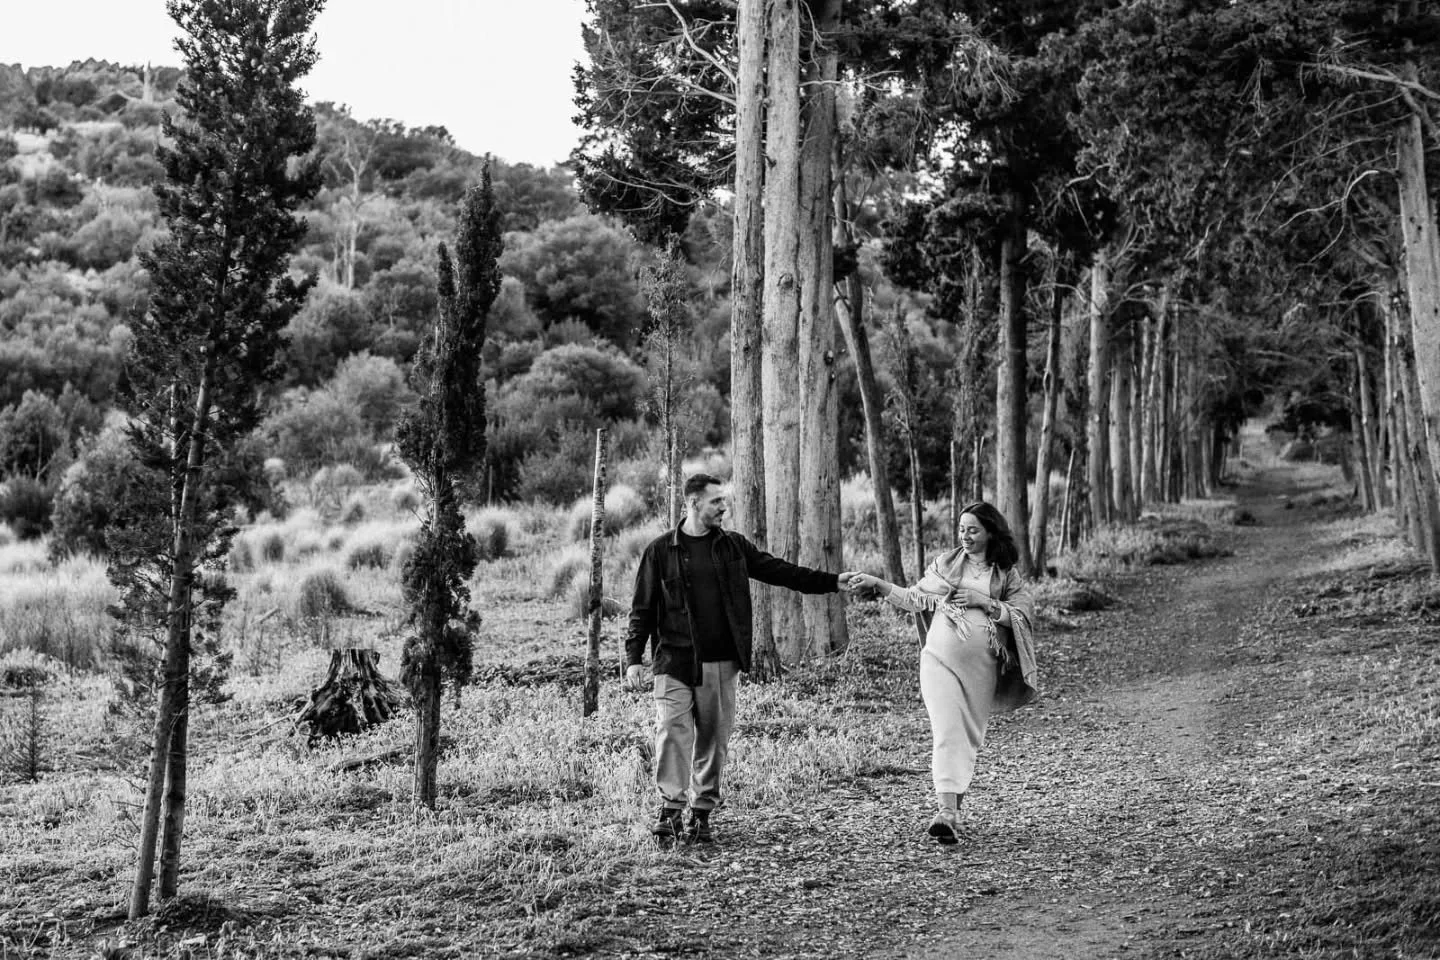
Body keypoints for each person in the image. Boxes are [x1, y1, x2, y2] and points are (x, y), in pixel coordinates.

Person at [625, 473, 857, 844]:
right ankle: (670, 810)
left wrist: (832, 581)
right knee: (672, 731)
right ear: (694, 503)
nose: (724, 507)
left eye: (724, 500)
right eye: (716, 501)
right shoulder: (659, 551)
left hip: (721, 660)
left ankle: (700, 813)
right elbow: (642, 608)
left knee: (714, 740)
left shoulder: (732, 547)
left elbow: (779, 571)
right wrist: (634, 658)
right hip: (674, 660)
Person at [848, 501, 1038, 844]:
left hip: (981, 671)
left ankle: (951, 815)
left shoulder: (1006, 575)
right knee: (948, 730)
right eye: (961, 529)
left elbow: (1023, 615)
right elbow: (913, 599)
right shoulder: (946, 565)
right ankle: (946, 811)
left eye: (973, 530)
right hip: (938, 661)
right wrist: (878, 583)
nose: (964, 536)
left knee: (967, 737)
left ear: (991, 532)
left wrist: (986, 603)